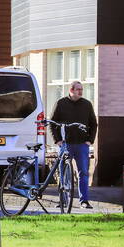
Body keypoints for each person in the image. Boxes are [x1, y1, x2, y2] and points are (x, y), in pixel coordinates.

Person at [50, 80, 98, 209]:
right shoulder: (61, 103)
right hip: (66, 144)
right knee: (64, 172)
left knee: (83, 173)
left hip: (82, 144)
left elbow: (93, 123)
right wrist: (57, 140)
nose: (81, 91)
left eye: (81, 89)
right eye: (78, 89)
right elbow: (52, 122)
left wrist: (90, 140)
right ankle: (63, 200)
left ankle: (84, 201)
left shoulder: (87, 104)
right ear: (71, 90)